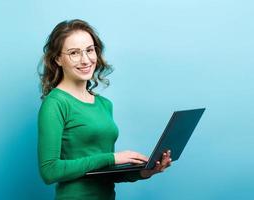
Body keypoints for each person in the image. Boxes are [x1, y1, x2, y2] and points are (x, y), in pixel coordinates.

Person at [38, 19, 172, 200]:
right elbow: (50, 171)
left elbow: (104, 172)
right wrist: (112, 158)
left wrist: (145, 172)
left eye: (89, 50)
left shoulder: (104, 104)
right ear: (58, 59)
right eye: (74, 53)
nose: (85, 60)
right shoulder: (55, 103)